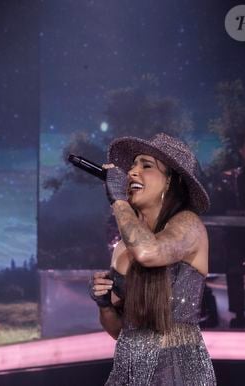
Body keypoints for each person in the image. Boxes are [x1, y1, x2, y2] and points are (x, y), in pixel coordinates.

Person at [90, 133, 216, 385]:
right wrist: (104, 305)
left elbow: (150, 253)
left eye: (146, 165)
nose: (132, 172)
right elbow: (120, 332)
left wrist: (119, 202)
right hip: (129, 370)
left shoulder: (188, 225)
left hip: (175, 370)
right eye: (132, 166)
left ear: (170, 182)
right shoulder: (124, 246)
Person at [212, 130, 245, 328]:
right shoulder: (229, 179)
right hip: (239, 237)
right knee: (232, 257)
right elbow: (219, 207)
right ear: (241, 151)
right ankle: (239, 315)